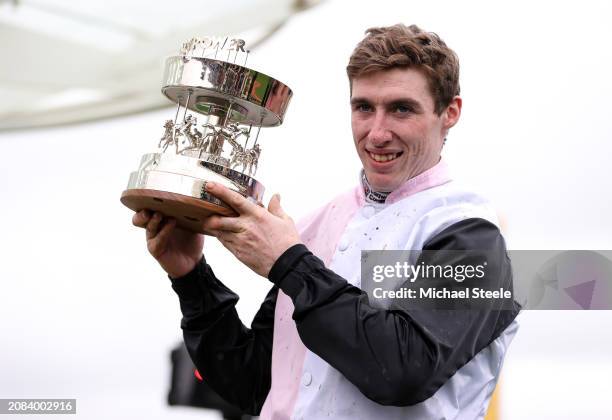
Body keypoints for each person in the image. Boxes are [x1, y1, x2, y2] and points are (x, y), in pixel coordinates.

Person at [133, 24, 520, 419]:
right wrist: (191, 277)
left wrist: (290, 265)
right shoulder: (314, 226)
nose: (377, 132)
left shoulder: (472, 235)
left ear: (450, 112)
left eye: (402, 108)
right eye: (364, 107)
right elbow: (250, 385)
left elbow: (403, 371)